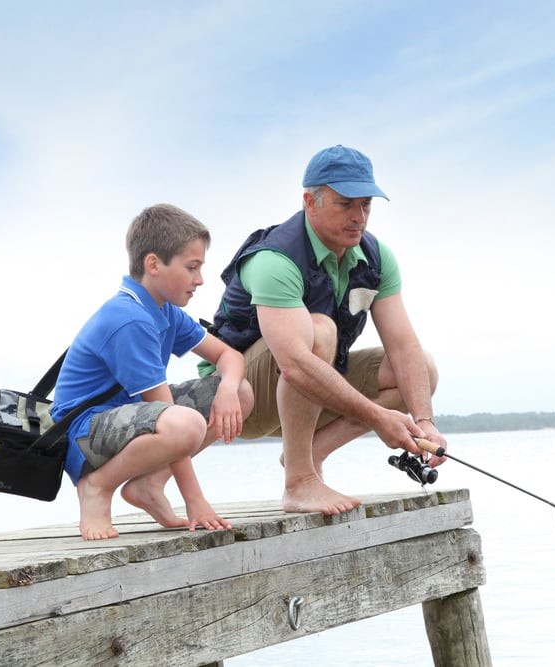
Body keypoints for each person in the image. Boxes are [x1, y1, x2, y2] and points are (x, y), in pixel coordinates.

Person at [204, 144, 446, 516]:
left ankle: (309, 456)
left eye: (366, 204)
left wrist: (424, 423)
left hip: (311, 387)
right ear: (310, 201)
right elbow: (297, 364)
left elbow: (403, 345)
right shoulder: (274, 259)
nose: (359, 216)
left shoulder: (377, 257)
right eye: (345, 204)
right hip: (238, 397)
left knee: (421, 370)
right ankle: (299, 483)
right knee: (320, 331)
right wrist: (377, 418)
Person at [52, 203, 253, 540]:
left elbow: (227, 355)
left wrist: (230, 388)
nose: (200, 279)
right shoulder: (129, 319)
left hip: (129, 422)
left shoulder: (164, 310)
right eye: (191, 268)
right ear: (153, 264)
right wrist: (196, 500)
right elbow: (168, 413)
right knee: (184, 422)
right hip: (84, 433)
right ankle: (97, 488)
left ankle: (149, 484)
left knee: (241, 392)